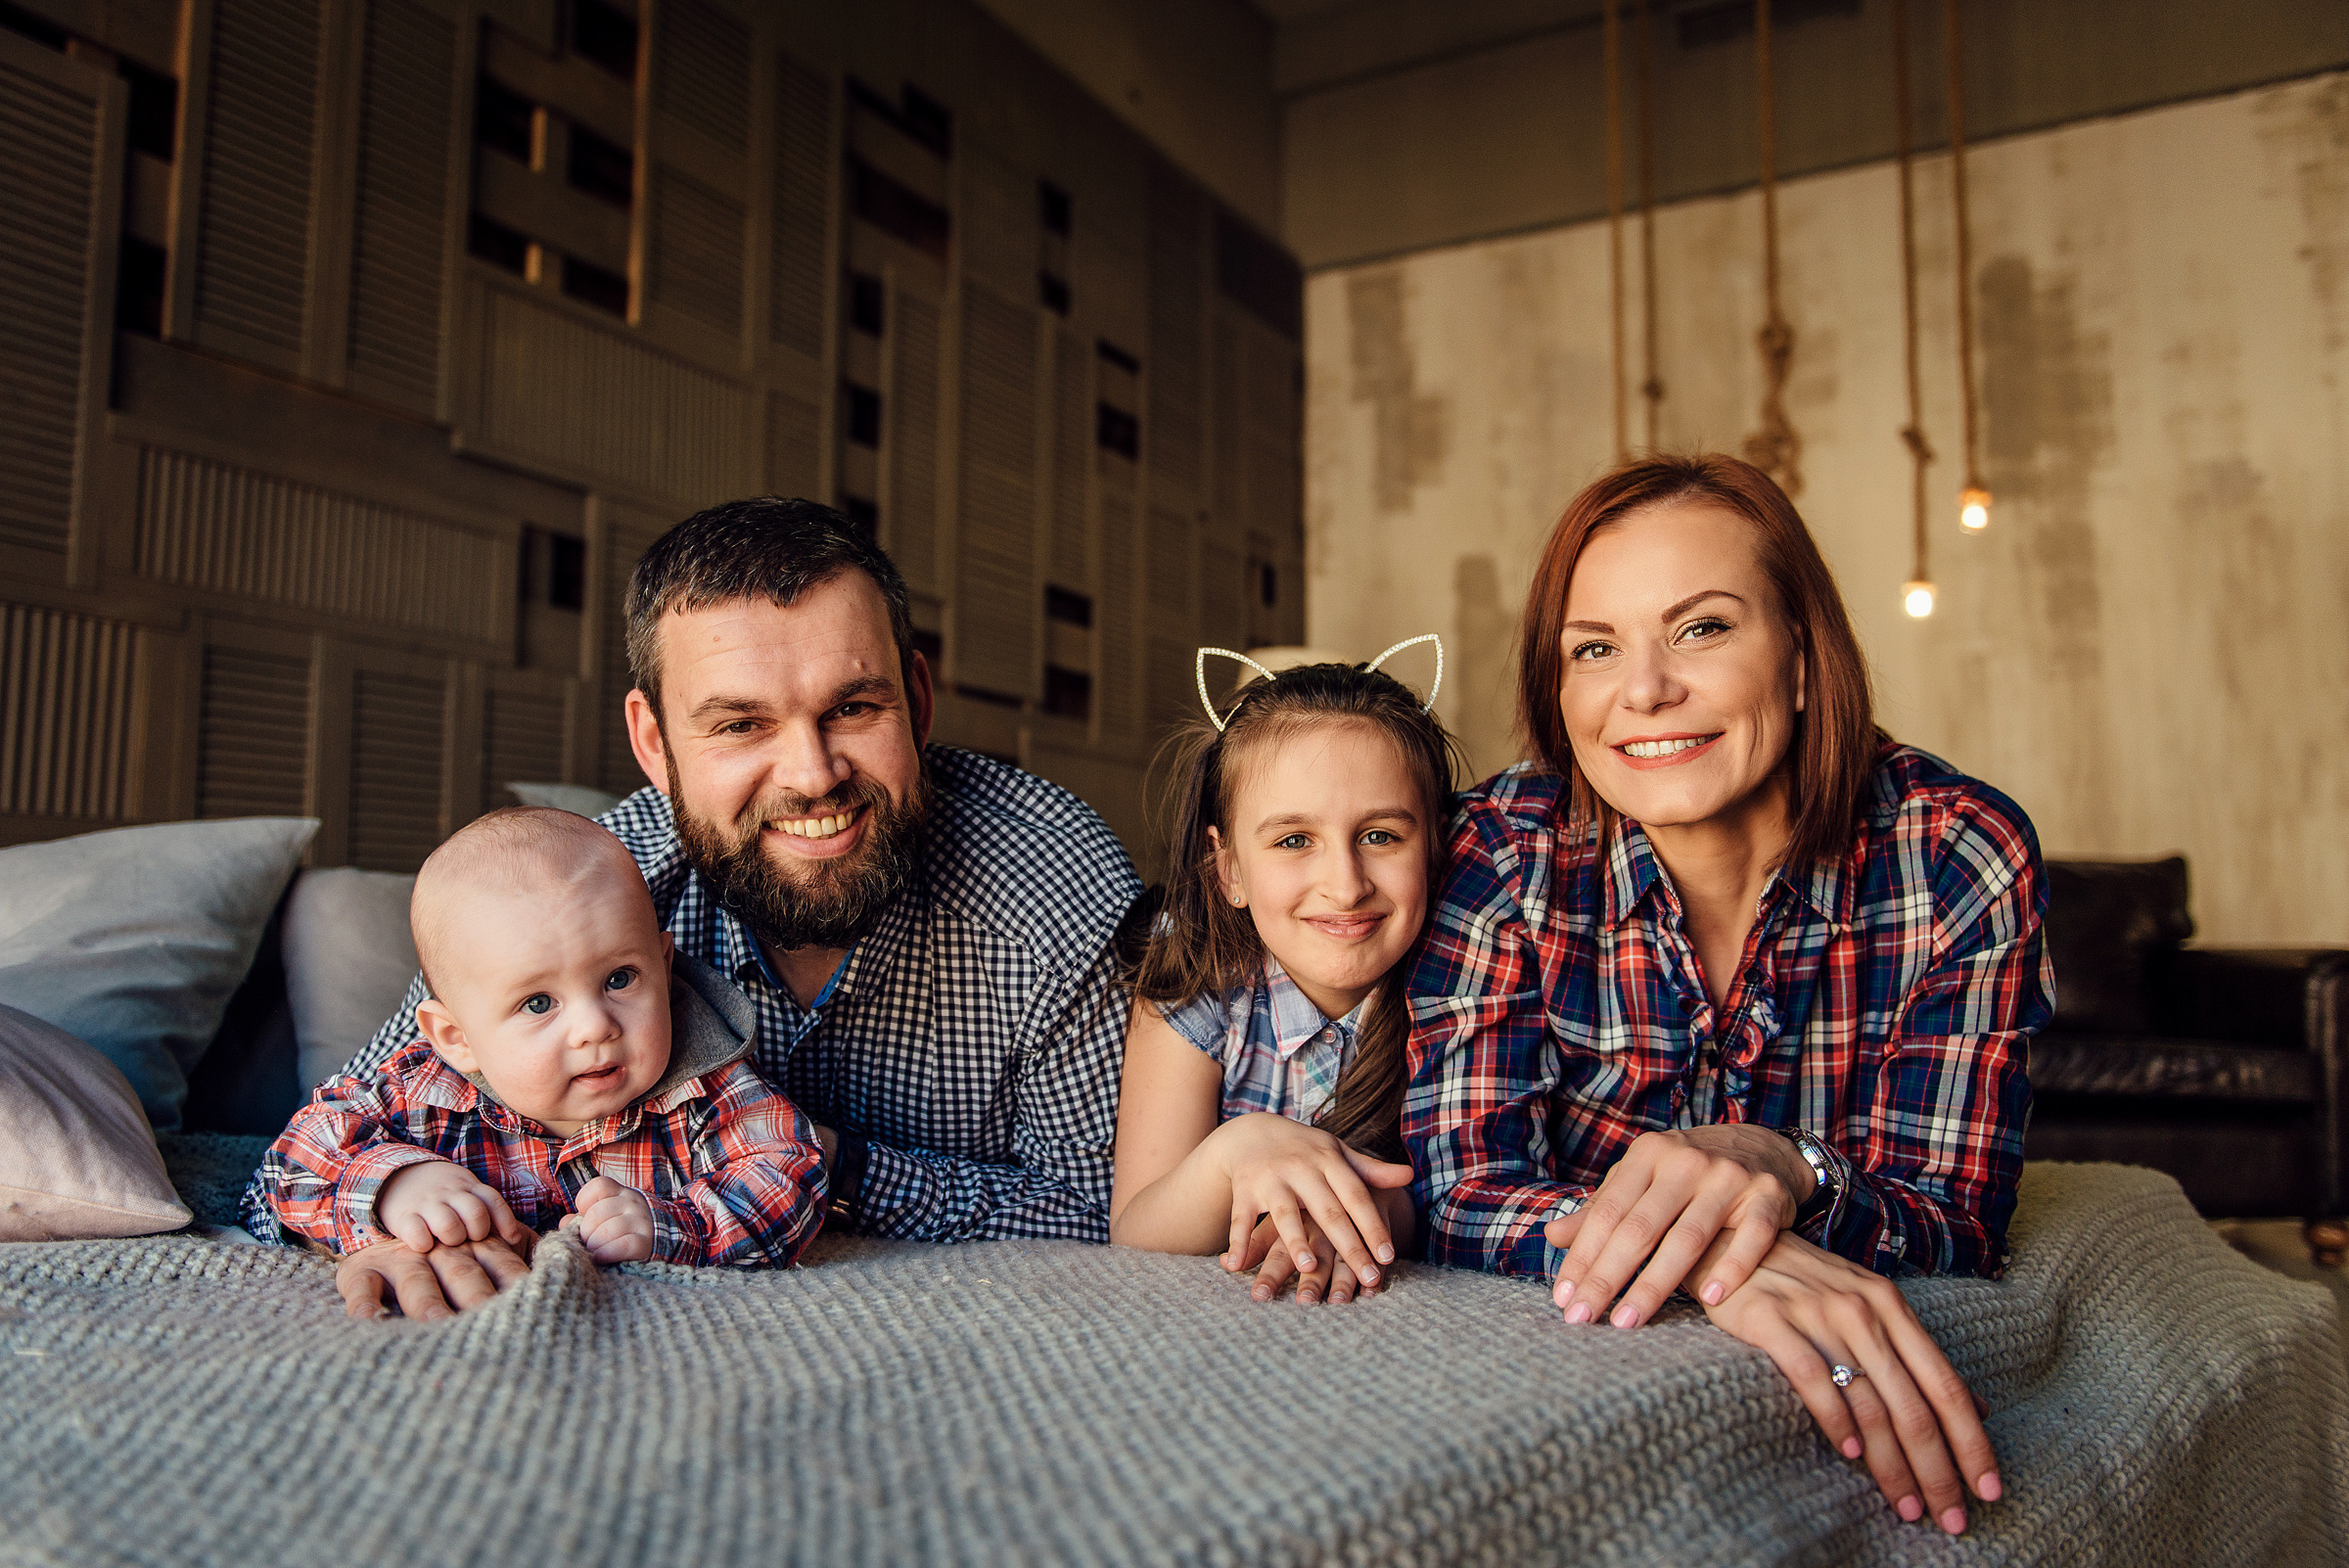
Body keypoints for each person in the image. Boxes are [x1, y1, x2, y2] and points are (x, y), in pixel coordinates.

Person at [243, 498, 1141, 1318]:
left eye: (854, 707)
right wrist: (389, 1219)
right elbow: (304, 1154)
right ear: (653, 741)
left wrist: (835, 1166)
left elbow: (1118, 1217)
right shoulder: (587, 884)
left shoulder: (1054, 894)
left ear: (916, 699)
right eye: (740, 724)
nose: (811, 774)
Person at [1406, 454, 2050, 1536]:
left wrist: (1781, 1166)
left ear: (1802, 657)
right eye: (1594, 649)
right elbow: (1459, 1183)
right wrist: (1715, 1255)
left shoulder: (1956, 854)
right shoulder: (1500, 851)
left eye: (1701, 628)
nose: (1644, 691)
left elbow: (1954, 1217)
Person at [256, 807, 825, 1268]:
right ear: (457, 1038)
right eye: (537, 1003)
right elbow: (293, 1158)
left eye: (619, 979)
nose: (595, 1026)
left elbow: (790, 1174)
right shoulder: (422, 1094)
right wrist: (394, 1184)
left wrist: (672, 1228)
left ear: (664, 964)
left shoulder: (709, 1086)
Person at [1111, 646, 1459, 1305]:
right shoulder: (1198, 992)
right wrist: (1234, 1154)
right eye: (1294, 840)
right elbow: (1134, 1231)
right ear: (1230, 869)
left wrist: (1378, 1215)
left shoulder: (1465, 988)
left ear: (1436, 845)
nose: (1346, 885)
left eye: (1381, 835)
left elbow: (1467, 1192)